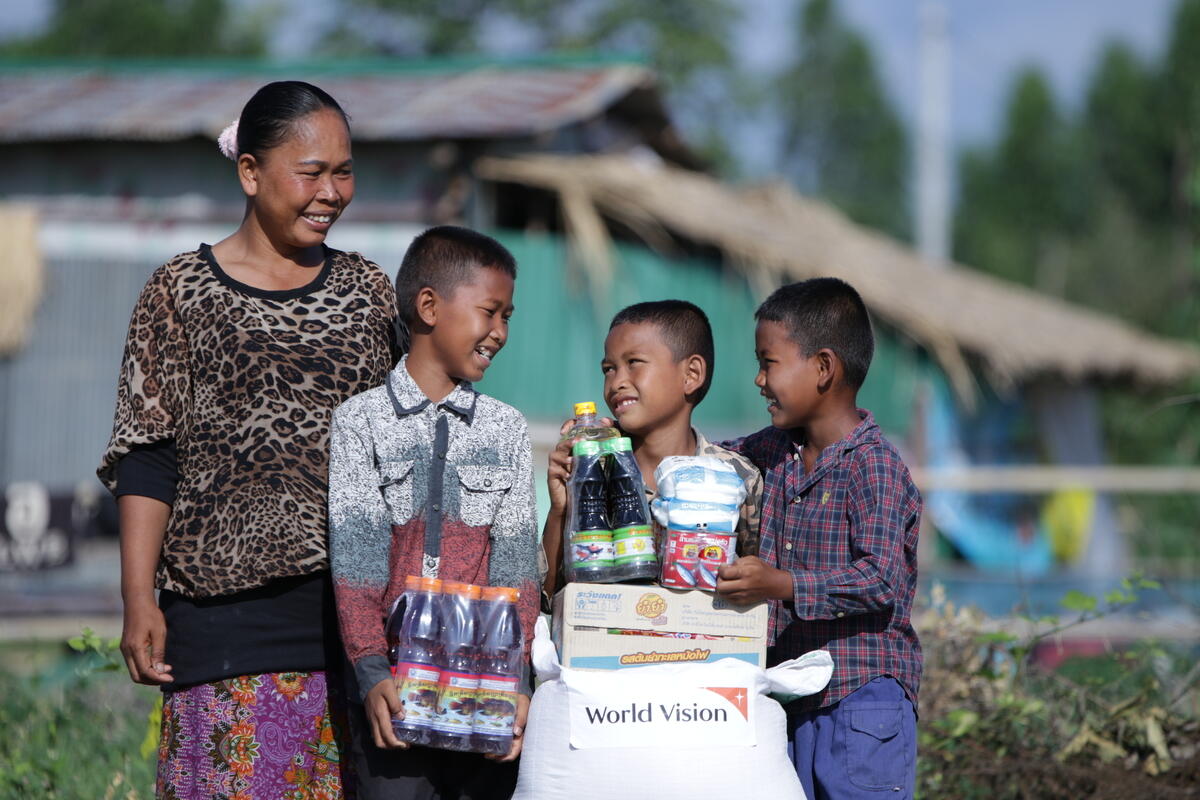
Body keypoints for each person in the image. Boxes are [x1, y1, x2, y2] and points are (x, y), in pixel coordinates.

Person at [97, 80, 398, 799]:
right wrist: (138, 601)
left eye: (344, 171)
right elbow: (147, 454)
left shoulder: (368, 293)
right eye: (311, 172)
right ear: (251, 172)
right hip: (223, 627)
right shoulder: (178, 292)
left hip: (356, 630)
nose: (331, 191)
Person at [327, 226, 540, 799]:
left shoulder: (507, 429)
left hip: (484, 695)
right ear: (428, 307)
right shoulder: (361, 422)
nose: (500, 332)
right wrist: (370, 673)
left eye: (508, 317)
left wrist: (517, 681)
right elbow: (357, 561)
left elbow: (517, 566)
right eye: (491, 312)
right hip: (395, 696)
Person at [714, 278, 922, 800]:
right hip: (790, 702)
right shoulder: (773, 452)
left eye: (770, 362)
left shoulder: (874, 467)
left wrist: (779, 584)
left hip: (861, 703)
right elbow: (703, 457)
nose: (759, 380)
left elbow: (880, 581)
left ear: (824, 368)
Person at [541, 300, 763, 598]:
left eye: (634, 363)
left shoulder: (734, 478)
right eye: (609, 369)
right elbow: (546, 592)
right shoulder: (594, 463)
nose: (617, 382)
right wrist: (561, 508)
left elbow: (757, 586)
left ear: (691, 374)